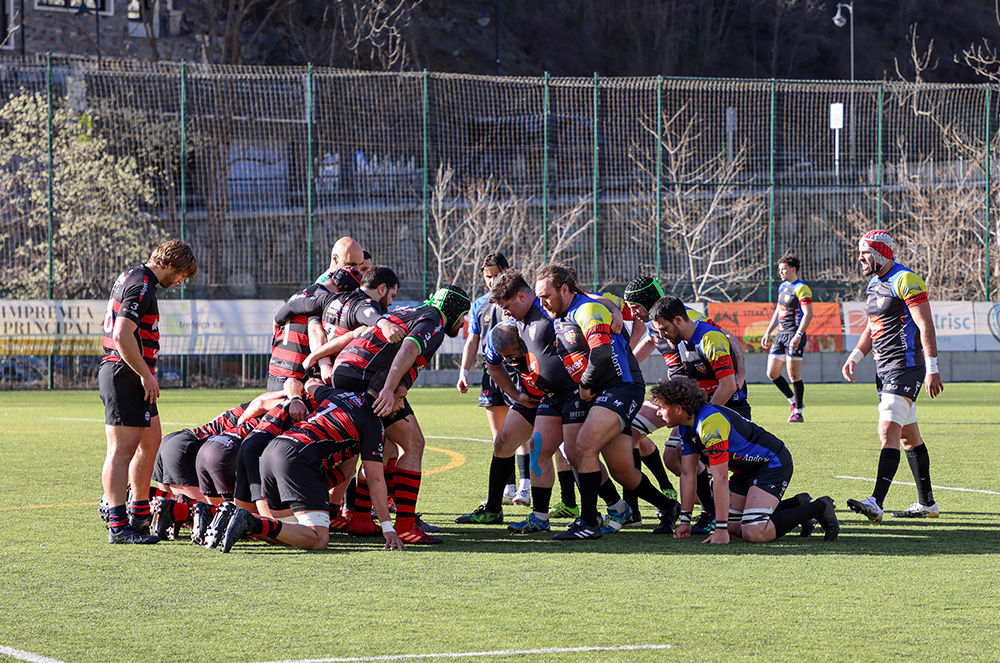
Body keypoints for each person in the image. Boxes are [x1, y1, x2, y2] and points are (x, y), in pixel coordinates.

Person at [535, 264, 680, 540]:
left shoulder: (585, 310)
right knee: (622, 470)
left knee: (582, 447)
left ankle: (588, 521)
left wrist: (585, 384)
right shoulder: (566, 310)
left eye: (546, 296)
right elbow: (603, 301)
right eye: (538, 297)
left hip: (620, 388)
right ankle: (668, 505)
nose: (541, 303)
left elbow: (601, 353)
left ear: (565, 290)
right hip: (600, 393)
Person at [333, 285, 472, 543]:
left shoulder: (410, 311)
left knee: (384, 449)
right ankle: (406, 525)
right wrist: (388, 389)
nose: (464, 321)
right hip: (367, 379)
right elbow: (409, 347)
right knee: (413, 443)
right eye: (463, 314)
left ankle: (361, 519)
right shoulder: (434, 320)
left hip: (348, 372)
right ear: (453, 309)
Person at [218, 378, 404, 553]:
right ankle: (251, 521)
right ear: (384, 394)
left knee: (288, 534)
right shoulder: (373, 422)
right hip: (297, 459)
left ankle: (227, 515)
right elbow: (374, 476)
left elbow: (310, 383)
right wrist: (388, 527)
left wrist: (297, 397)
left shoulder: (339, 395)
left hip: (272, 450)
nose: (402, 406)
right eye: (400, 398)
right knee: (318, 539)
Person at [648, 377, 839, 543]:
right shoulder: (685, 426)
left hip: (771, 463)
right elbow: (688, 475)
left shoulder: (709, 424)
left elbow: (720, 478)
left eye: (662, 408)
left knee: (754, 533)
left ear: (679, 409)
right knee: (733, 527)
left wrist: (719, 530)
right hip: (745, 470)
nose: (658, 413)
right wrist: (685, 522)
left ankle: (820, 507)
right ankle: (797, 505)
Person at [99, 238, 197, 544]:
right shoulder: (142, 285)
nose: (181, 282)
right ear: (170, 264)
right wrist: (146, 374)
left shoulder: (136, 278)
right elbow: (121, 335)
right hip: (124, 374)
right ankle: (118, 525)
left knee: (151, 439)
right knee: (121, 451)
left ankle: (140, 514)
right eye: (182, 275)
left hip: (129, 374)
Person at [842, 229, 944, 522]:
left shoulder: (906, 279)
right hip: (884, 369)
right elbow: (872, 326)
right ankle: (927, 504)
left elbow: (925, 325)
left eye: (865, 253)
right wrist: (855, 356)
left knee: (887, 430)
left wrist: (932, 368)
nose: (860, 258)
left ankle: (876, 501)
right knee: (909, 437)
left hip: (906, 366)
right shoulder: (874, 283)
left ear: (881, 253)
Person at [457, 253, 531, 506]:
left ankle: (525, 486)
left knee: (520, 432)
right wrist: (464, 371)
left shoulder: (515, 302)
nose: (491, 281)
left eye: (495, 275)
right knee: (499, 433)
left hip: (518, 372)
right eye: (487, 276)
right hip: (492, 372)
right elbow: (473, 339)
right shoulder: (479, 305)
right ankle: (508, 487)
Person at [760, 254, 812, 422]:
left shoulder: (802, 288)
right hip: (781, 335)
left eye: (783, 269)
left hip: (794, 335)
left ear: (793, 269)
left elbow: (808, 314)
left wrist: (799, 334)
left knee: (793, 375)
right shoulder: (782, 287)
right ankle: (793, 401)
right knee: (772, 373)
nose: (780, 272)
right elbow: (778, 310)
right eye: (779, 269)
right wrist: (768, 331)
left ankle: (798, 412)